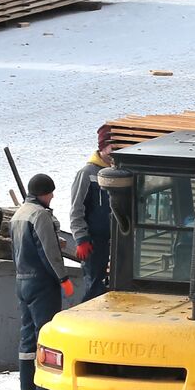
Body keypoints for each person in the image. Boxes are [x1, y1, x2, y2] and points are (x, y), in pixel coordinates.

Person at [10, 174, 72, 390]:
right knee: (46, 334)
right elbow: (49, 252)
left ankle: (27, 386)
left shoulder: (18, 214)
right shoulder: (39, 216)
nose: (53, 196)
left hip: (21, 281)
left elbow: (15, 251)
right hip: (41, 283)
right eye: (50, 192)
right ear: (42, 193)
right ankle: (44, 388)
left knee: (27, 334)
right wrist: (63, 278)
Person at [68, 125, 116, 304]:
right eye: (112, 149)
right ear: (102, 148)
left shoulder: (117, 171)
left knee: (107, 285)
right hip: (94, 242)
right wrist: (81, 239)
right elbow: (76, 209)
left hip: (112, 240)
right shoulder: (86, 174)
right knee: (94, 284)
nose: (114, 153)